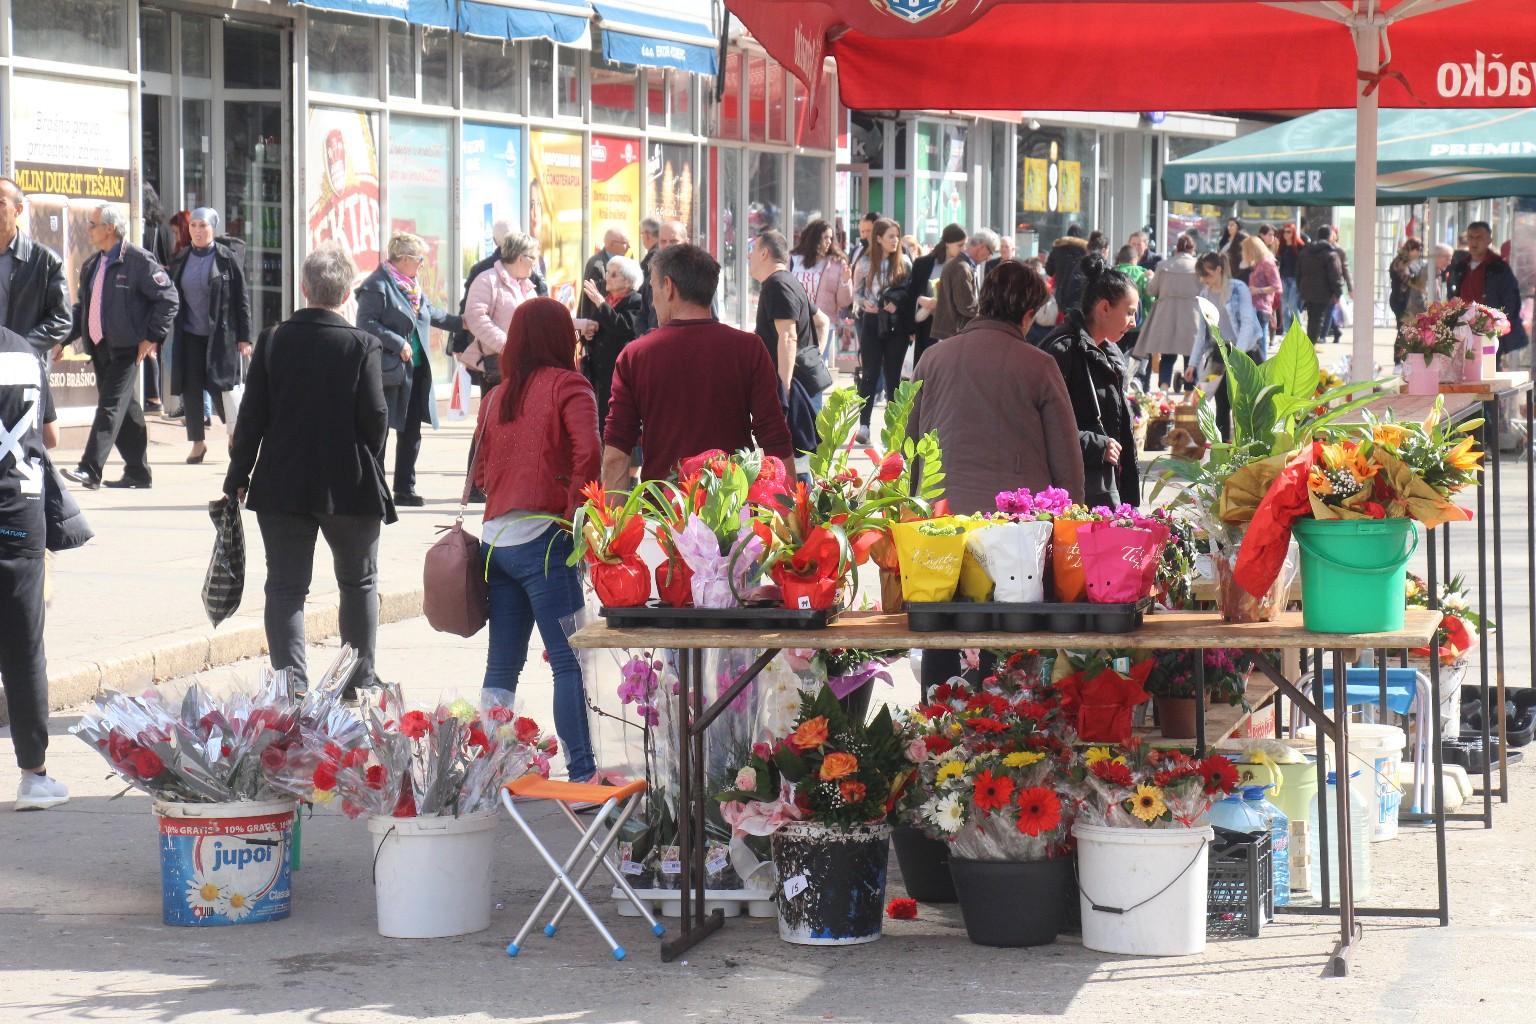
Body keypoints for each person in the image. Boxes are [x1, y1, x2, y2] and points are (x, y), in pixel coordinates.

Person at [224, 244, 392, 701]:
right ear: (346, 293)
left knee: (285, 587)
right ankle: (356, 681)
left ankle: (292, 687)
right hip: (350, 485)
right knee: (358, 583)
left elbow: (252, 416)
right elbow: (376, 417)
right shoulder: (362, 345)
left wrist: (237, 477)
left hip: (282, 483)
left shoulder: (274, 340)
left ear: (303, 288)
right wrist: (371, 462)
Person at [907, 261, 1083, 696]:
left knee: (946, 634)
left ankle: (940, 731)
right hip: (1018, 536)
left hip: (943, 526)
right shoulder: (1038, 365)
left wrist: (909, 512)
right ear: (1027, 313)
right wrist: (1074, 524)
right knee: (1014, 640)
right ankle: (1009, 738)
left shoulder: (934, 357)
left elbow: (909, 445)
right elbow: (1067, 460)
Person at [472, 298, 600, 783]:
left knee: (502, 662)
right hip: (544, 537)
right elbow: (588, 451)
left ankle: (491, 773)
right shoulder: (570, 386)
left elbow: (481, 472)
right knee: (567, 660)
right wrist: (573, 514)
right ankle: (583, 773)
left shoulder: (495, 397)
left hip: (495, 541)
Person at [602, 243, 794, 486]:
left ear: (669, 287)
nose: (651, 303)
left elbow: (617, 450)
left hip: (665, 511)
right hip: (732, 508)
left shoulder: (636, 355)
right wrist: (789, 517)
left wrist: (613, 520)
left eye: (653, 290)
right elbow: (774, 436)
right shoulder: (748, 348)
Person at [61, 203, 179, 491]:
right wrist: (63, 340)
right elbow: (83, 310)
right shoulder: (92, 264)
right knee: (126, 410)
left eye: (92, 224)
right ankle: (138, 472)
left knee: (110, 407)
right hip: (101, 348)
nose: (88, 229)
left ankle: (90, 469)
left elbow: (169, 298)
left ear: (109, 228)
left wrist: (151, 336)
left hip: (127, 348)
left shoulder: (138, 260)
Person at [1, 323, 65, 809]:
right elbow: (52, 436)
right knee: (25, 650)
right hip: (19, 518)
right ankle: (34, 776)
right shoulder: (26, 351)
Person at [355, 232, 463, 506]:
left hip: (416, 371)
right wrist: (397, 341)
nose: (422, 265)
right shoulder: (376, 285)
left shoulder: (411, 286)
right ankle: (375, 490)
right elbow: (366, 323)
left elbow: (431, 314)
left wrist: (462, 322)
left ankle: (404, 488)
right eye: (419, 259)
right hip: (388, 371)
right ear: (403, 259)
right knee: (381, 430)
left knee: (411, 432)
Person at [1038, 256, 1141, 509]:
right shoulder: (1062, 351)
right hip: (1075, 493)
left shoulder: (1110, 349)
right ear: (1104, 308)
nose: (1134, 322)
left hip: (1106, 486)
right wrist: (1096, 445)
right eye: (1129, 312)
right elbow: (1044, 425)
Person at [167, 208, 251, 464]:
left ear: (213, 227)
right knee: (191, 389)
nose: (197, 231)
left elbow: (242, 300)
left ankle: (234, 433)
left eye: (203, 225)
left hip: (221, 335)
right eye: (193, 226)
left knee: (221, 386)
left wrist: (245, 338)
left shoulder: (226, 258)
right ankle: (197, 443)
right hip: (190, 335)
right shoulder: (181, 259)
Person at [750, 230, 824, 462]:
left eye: (752, 250)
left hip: (792, 390)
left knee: (794, 462)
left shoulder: (777, 285)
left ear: (764, 253)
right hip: (799, 383)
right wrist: (814, 354)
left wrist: (784, 387)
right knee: (798, 461)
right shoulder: (790, 282)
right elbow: (822, 321)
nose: (748, 257)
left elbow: (788, 336)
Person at [1188, 252, 1264, 441]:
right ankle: (1223, 450)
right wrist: (1192, 363)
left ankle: (1249, 447)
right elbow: (1202, 334)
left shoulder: (1239, 289)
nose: (1204, 280)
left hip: (1244, 351)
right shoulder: (1205, 294)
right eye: (1202, 276)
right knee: (1222, 402)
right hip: (1219, 354)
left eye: (1208, 275)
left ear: (1219, 270)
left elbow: (1247, 322)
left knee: (1248, 404)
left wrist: (1238, 354)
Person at [0, 178, 72, 370]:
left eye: (0, 203)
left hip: (22, 370)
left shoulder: (45, 262)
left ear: (18, 209)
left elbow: (62, 319)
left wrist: (21, 347)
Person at [851, 217, 912, 443]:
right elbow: (855, 293)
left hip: (896, 325)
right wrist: (863, 303)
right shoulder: (865, 263)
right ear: (878, 238)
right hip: (872, 321)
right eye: (890, 236)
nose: (895, 240)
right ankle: (864, 425)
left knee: (893, 377)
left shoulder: (905, 262)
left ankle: (894, 428)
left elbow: (911, 293)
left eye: (897, 236)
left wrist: (898, 304)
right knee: (869, 374)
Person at [461, 232, 542, 384]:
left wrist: (582, 324)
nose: (535, 265)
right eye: (534, 259)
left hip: (526, 365)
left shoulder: (527, 286)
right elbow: (475, 318)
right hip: (498, 367)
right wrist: (508, 346)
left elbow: (542, 318)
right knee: (498, 408)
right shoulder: (487, 280)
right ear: (521, 258)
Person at [578, 254, 644, 436]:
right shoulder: (606, 300)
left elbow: (624, 327)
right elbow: (597, 328)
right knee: (600, 422)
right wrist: (588, 333)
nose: (607, 277)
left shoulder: (635, 301)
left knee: (618, 424)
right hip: (599, 372)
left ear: (628, 281)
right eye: (608, 272)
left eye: (614, 274)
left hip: (618, 372)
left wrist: (600, 303)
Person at [1450, 220, 1529, 359]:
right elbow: (1454, 297)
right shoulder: (1460, 267)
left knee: (1488, 370)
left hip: (1490, 333)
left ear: (1489, 240)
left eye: (1479, 237)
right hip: (1464, 332)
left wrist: (1497, 325)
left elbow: (1511, 301)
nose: (1474, 242)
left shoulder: (1499, 268)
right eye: (1471, 237)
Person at [1133, 234, 1202, 390]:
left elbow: (1151, 290)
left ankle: (1163, 390)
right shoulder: (1198, 267)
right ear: (1193, 249)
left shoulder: (1163, 265)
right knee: (1191, 356)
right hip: (1192, 316)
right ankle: (1189, 394)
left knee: (1167, 355)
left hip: (1167, 315)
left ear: (1176, 248)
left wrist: (1151, 278)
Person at [788, 219, 852, 367]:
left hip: (823, 323)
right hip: (796, 321)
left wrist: (845, 281)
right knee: (794, 364)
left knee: (816, 367)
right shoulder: (794, 260)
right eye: (825, 237)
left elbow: (844, 302)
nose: (829, 241)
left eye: (831, 238)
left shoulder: (836, 263)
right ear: (813, 237)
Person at [928, 229, 998, 365]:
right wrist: (988, 316)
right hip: (955, 333)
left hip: (956, 333)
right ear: (982, 247)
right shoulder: (961, 267)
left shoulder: (963, 265)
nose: (989, 257)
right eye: (990, 252)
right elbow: (967, 307)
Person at [904, 224, 964, 373]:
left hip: (950, 324)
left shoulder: (962, 265)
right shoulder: (924, 263)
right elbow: (912, 292)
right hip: (926, 323)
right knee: (926, 368)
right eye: (960, 245)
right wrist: (921, 303)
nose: (963, 249)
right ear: (948, 243)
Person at [1297, 224, 1346, 345]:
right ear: (1330, 237)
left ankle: (1310, 344)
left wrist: (1301, 288)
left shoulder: (1306, 252)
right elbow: (1335, 275)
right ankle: (1310, 346)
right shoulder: (1330, 254)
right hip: (1323, 292)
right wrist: (1338, 292)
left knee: (1312, 318)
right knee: (1318, 319)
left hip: (1307, 290)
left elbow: (1297, 272)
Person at [578, 227, 630, 320]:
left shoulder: (618, 262)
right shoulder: (597, 264)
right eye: (625, 243)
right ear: (612, 244)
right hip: (595, 325)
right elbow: (594, 300)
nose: (629, 247)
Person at [1241, 235, 1282, 347]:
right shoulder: (1258, 263)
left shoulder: (1267, 263)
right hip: (1255, 306)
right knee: (1256, 343)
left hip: (1261, 307)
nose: (1243, 253)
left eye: (1245, 250)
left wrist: (1257, 290)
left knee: (1259, 343)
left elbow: (1277, 286)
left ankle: (1262, 363)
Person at [1113, 244, 1152, 357]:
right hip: (1138, 323)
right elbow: (1151, 298)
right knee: (1138, 357)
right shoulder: (1143, 274)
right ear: (1136, 259)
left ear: (1119, 258)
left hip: (1116, 322)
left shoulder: (1112, 272)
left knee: (1117, 353)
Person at [1044, 224, 1089, 321]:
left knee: (1065, 321)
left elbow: (1049, 270)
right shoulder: (1085, 251)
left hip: (1062, 294)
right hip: (1080, 294)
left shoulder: (1058, 249)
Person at [1276, 221, 1307, 329]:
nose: (1286, 234)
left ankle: (1299, 328)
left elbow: (1303, 264)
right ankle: (1286, 330)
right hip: (1284, 278)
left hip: (1295, 279)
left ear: (1293, 233)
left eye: (1288, 232)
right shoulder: (1282, 246)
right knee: (1284, 306)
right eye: (1284, 232)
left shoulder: (1299, 246)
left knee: (1293, 305)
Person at [1388, 239, 1424, 329]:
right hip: (1401, 300)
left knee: (1406, 330)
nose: (1419, 254)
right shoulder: (1401, 262)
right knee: (1404, 330)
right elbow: (1407, 279)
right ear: (1412, 250)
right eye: (1419, 250)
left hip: (1405, 300)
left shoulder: (1408, 261)